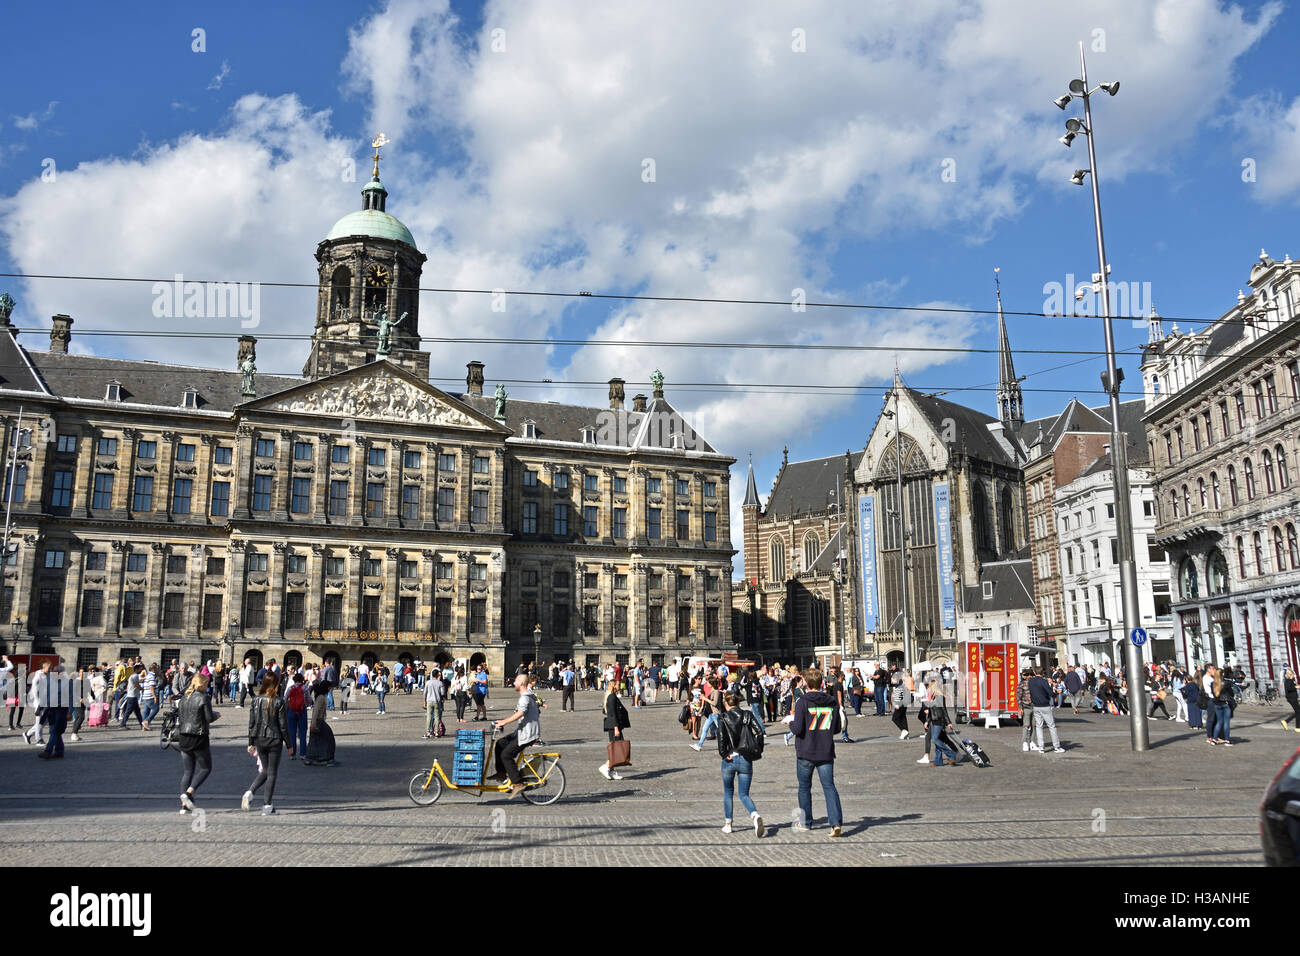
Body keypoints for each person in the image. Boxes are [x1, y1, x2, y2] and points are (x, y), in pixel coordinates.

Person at [788, 667, 843, 836]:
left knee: (804, 788)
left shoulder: (802, 702)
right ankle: (835, 823)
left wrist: (790, 722)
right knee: (829, 787)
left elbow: (797, 729)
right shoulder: (832, 701)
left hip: (806, 751)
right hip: (825, 751)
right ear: (821, 683)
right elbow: (836, 729)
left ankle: (806, 823)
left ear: (806, 683)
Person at [242, 673, 293, 815]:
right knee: (271, 773)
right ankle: (267, 805)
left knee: (265, 770)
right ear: (276, 684)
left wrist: (250, 742)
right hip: (274, 740)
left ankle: (250, 792)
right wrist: (289, 745)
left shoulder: (255, 700)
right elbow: (283, 726)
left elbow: (251, 723)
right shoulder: (278, 701)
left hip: (259, 739)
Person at [717, 692, 764, 837]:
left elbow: (721, 738)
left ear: (726, 703)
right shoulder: (747, 715)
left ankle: (728, 824)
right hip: (745, 758)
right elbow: (759, 732)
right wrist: (757, 749)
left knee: (728, 792)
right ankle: (755, 815)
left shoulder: (723, 717)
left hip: (730, 758)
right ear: (738, 703)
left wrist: (724, 754)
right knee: (744, 794)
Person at [490, 674, 540, 798]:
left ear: (521, 683)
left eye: (516, 681)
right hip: (522, 732)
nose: (514, 682)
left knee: (506, 755)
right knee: (500, 744)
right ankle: (501, 773)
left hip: (527, 734)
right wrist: (502, 721)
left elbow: (520, 713)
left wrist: (504, 722)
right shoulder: (527, 696)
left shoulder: (525, 697)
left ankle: (518, 783)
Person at [177, 672, 220, 813]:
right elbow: (208, 718)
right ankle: (189, 793)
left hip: (183, 736)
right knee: (205, 768)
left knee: (188, 771)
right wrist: (216, 715)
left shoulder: (184, 697)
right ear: (201, 684)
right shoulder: (203, 698)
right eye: (206, 684)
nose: (208, 686)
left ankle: (184, 806)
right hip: (198, 737)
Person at [34, 661, 73, 759]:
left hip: (61, 710)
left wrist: (70, 712)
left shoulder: (67, 683)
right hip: (51, 709)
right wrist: (39, 708)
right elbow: (45, 696)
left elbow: (72, 698)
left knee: (54, 730)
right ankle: (59, 751)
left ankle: (48, 751)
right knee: (55, 731)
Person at [598, 679, 630, 780]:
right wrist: (616, 727)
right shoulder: (612, 697)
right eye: (618, 684)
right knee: (616, 749)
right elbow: (612, 714)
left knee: (616, 749)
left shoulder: (612, 696)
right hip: (614, 727)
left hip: (615, 726)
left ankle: (612, 770)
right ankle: (606, 766)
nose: (619, 685)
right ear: (613, 685)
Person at [925, 679, 960, 767]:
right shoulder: (932, 697)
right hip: (933, 721)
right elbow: (930, 711)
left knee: (934, 739)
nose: (928, 689)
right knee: (938, 741)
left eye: (930, 687)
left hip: (939, 721)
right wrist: (927, 721)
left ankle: (951, 754)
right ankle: (938, 761)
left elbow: (944, 710)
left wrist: (949, 722)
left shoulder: (939, 697)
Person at [1028, 667, 1064, 752]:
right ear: (1043, 672)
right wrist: (1054, 696)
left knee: (1039, 726)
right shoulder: (1043, 681)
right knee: (1051, 726)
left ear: (1034, 672)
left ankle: (1041, 747)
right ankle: (1056, 746)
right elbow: (1049, 691)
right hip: (1045, 705)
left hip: (1036, 705)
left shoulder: (1031, 681)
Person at [304, 678, 338, 766]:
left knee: (314, 740)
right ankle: (327, 758)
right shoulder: (321, 698)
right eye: (329, 687)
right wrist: (313, 724)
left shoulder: (320, 697)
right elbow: (316, 711)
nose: (330, 689)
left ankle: (311, 758)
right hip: (318, 721)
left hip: (317, 721)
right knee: (328, 739)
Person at [286, 673, 310, 756]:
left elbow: (285, 699)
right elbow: (309, 699)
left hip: (291, 710)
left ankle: (292, 754)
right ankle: (303, 753)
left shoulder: (290, 688)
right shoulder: (304, 688)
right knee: (302, 732)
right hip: (301, 710)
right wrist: (307, 703)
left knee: (292, 732)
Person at [1210, 669, 1234, 746]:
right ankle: (1227, 740)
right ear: (1222, 674)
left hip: (1217, 704)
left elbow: (1213, 694)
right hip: (1225, 703)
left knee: (1219, 722)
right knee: (1226, 722)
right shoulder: (1226, 683)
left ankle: (1214, 739)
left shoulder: (1213, 684)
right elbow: (1231, 693)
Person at [1017, 667, 1037, 752]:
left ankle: (1032, 742)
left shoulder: (1035, 683)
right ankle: (1025, 742)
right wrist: (1020, 708)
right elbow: (1018, 697)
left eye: (1031, 675)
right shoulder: (1022, 684)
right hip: (1026, 707)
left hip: (1035, 706)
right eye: (1029, 675)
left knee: (1034, 725)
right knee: (1026, 725)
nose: (1030, 676)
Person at [423, 667, 445, 739]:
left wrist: (424, 702)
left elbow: (425, 693)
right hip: (437, 701)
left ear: (432, 675)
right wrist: (442, 699)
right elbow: (442, 693)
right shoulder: (440, 683)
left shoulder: (428, 682)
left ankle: (428, 732)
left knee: (429, 716)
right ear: (437, 675)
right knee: (437, 717)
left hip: (429, 701)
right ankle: (436, 732)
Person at [890, 670, 910, 740]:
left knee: (895, 718)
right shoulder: (901, 684)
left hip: (900, 704)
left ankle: (904, 730)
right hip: (904, 703)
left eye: (893, 678)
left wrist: (897, 704)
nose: (891, 680)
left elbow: (900, 694)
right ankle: (906, 733)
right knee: (903, 717)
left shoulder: (899, 685)